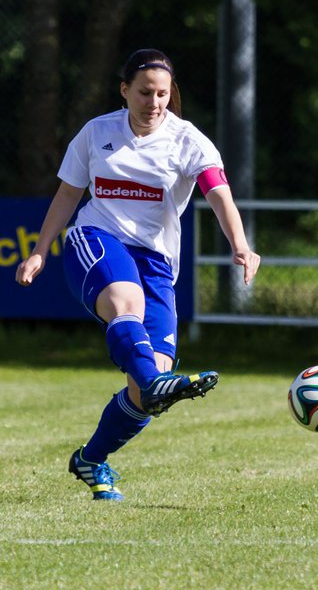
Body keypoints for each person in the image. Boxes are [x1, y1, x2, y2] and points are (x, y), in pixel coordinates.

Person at [16, 48, 261, 501]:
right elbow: (68, 196)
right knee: (126, 306)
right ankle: (153, 381)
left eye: (163, 94)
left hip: (156, 262)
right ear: (124, 90)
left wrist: (241, 245)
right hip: (97, 239)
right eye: (145, 92)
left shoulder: (189, 141)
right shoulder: (96, 133)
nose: (154, 102)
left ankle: (91, 458)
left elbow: (219, 196)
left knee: (148, 391)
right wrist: (39, 252)